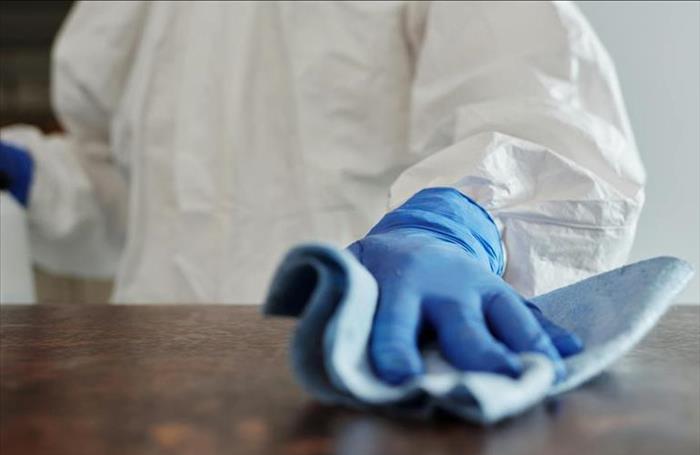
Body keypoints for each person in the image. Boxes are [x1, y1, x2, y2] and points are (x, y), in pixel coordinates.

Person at [0, 1, 645, 384]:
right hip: (156, 382)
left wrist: (458, 220)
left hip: (370, 362)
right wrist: (36, 175)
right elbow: (122, 205)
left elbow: (545, 114)